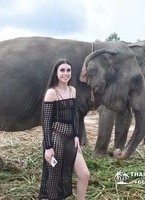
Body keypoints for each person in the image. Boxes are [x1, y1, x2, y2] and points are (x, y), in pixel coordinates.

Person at [39, 59, 90, 200]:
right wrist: (48, 147)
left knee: (84, 174)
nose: (65, 73)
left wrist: (76, 136)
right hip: (56, 138)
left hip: (70, 139)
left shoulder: (72, 90)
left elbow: (74, 116)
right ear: (56, 72)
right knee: (55, 178)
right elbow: (46, 122)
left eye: (68, 70)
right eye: (62, 70)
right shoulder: (51, 93)